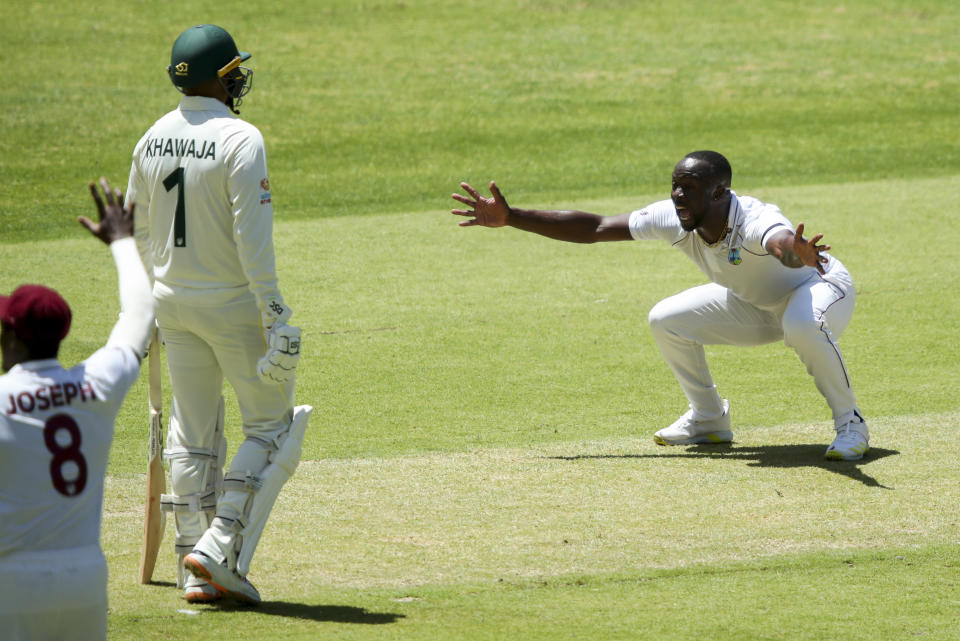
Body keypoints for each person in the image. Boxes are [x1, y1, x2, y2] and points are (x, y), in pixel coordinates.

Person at [451, 151, 869, 461]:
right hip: (756, 304)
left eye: (689, 188)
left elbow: (780, 245)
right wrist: (512, 217)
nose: (678, 195)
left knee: (802, 323)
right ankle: (708, 419)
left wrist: (797, 253)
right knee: (666, 320)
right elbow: (595, 227)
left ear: (721, 192)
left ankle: (850, 423)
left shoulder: (754, 220)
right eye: (675, 185)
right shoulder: (674, 216)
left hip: (818, 289)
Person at [125, 24, 310, 605]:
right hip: (232, 304)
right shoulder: (240, 138)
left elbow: (135, 230)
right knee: (274, 427)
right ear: (221, 78)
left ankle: (191, 570)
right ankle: (216, 544)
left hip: (171, 303)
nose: (239, 80)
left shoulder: (151, 138)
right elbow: (252, 239)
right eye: (233, 71)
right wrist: (274, 309)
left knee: (191, 431)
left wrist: (145, 307)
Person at [0, 178, 155, 641]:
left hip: (13, 580)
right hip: (85, 576)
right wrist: (122, 240)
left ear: (11, 338)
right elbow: (140, 315)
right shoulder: (97, 383)